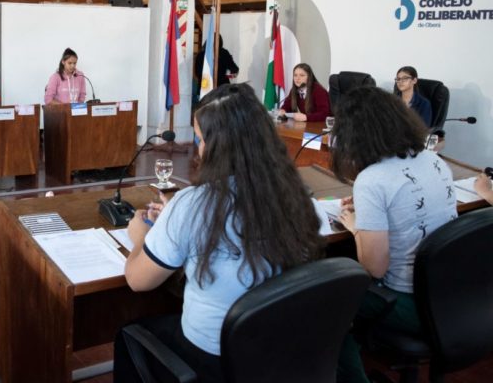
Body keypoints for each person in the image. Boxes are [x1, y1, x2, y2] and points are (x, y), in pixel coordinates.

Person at [114, 83, 324, 382]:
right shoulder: (300, 196)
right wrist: (177, 215)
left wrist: (141, 237)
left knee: (128, 335)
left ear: (217, 146)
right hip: (278, 353)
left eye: (199, 139)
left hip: (213, 360)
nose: (198, 149)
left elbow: (137, 280)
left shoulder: (194, 205)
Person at [331, 86, 457, 383]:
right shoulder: (435, 161)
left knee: (326, 310)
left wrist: (355, 225)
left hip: (409, 302)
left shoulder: (372, 179)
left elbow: (374, 267)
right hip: (449, 293)